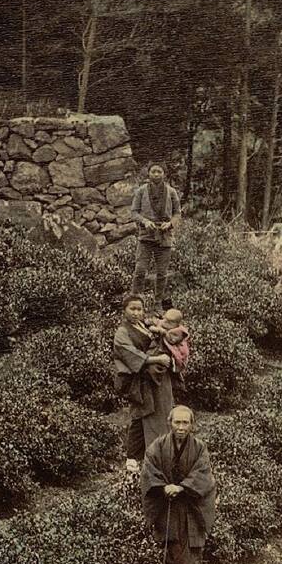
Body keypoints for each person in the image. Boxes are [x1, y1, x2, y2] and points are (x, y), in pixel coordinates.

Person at [141, 405, 217, 564]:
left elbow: (203, 473)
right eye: (177, 422)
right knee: (171, 550)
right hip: (167, 505)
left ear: (192, 425)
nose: (181, 427)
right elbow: (149, 469)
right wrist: (164, 487)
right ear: (170, 423)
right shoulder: (158, 446)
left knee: (191, 552)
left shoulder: (199, 447)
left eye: (185, 423)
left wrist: (182, 487)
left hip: (191, 505)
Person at [113, 295, 182, 460]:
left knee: (162, 413)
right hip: (142, 378)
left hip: (158, 378)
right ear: (124, 311)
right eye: (132, 309)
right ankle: (136, 457)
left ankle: (160, 453)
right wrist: (157, 359)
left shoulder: (145, 325)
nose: (136, 313)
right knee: (142, 414)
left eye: (139, 309)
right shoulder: (122, 332)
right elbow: (129, 353)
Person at [129, 162, 182, 303]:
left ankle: (158, 303)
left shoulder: (171, 192)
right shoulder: (141, 191)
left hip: (164, 236)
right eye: (153, 171)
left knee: (162, 273)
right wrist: (145, 221)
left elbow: (177, 213)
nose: (156, 174)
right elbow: (134, 212)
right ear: (149, 173)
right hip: (146, 236)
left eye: (159, 171)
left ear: (164, 174)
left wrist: (170, 224)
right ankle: (135, 301)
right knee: (140, 270)